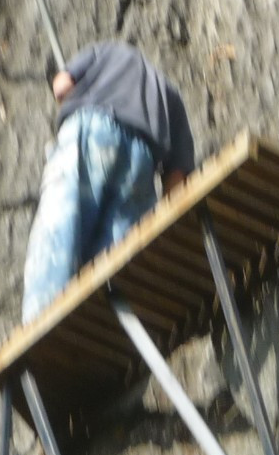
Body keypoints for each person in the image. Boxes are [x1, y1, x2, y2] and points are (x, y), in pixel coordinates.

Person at [20, 40, 195, 321]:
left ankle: (40, 319)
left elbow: (61, 86)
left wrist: (71, 101)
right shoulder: (171, 96)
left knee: (60, 227)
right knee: (116, 258)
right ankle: (104, 324)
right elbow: (177, 180)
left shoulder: (106, 51)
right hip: (142, 159)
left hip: (91, 130)